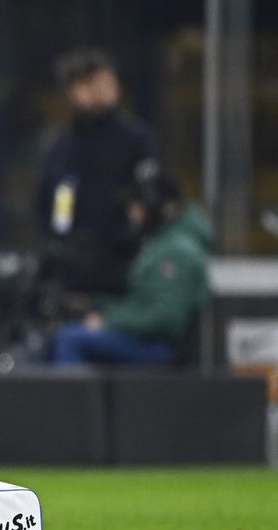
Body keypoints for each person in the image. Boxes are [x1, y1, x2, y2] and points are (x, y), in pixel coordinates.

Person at [52, 167, 211, 366]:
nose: (132, 212)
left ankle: (72, 398)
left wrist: (109, 321)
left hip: (158, 347)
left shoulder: (178, 250)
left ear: (162, 207)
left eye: (138, 204)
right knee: (58, 333)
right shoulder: (161, 243)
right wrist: (95, 304)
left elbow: (165, 319)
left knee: (71, 339)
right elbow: (140, 305)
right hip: (145, 339)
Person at [37, 48, 159, 297]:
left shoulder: (136, 139)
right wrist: (60, 237)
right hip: (72, 270)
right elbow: (57, 195)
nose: (100, 90)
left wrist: (133, 229)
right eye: (89, 83)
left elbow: (149, 194)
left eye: (107, 81)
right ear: (73, 90)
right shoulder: (63, 145)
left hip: (124, 268)